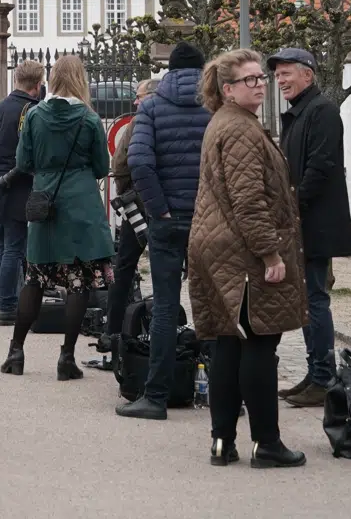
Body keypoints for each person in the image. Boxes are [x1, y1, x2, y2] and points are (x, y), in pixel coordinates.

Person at [188, 50, 306, 468]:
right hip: (240, 250)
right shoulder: (238, 129)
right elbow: (248, 201)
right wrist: (270, 252)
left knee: (230, 344)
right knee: (258, 340)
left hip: (219, 245)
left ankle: (223, 442)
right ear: (227, 89)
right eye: (250, 79)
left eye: (261, 78)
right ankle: (266, 443)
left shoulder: (233, 123)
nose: (260, 84)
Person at [0, 55, 112, 381]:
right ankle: (66, 358)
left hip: (45, 202)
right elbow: (101, 167)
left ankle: (16, 352)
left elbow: (23, 159)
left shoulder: (35, 115)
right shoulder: (89, 119)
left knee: (35, 277)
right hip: (81, 206)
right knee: (79, 283)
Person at [117, 43, 211, 421]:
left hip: (167, 221)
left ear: (168, 72)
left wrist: (160, 209)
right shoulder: (216, 105)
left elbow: (137, 162)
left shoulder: (152, 107)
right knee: (215, 306)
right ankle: (224, 394)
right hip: (209, 221)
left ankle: (155, 396)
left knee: (166, 306)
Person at [268, 48, 351, 407]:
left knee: (315, 300)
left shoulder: (321, 111)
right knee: (307, 301)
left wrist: (291, 208)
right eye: (277, 76)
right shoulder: (300, 113)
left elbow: (319, 169)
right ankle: (316, 373)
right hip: (303, 221)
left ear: (308, 74)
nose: (281, 80)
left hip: (314, 223)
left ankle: (323, 377)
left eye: (287, 73)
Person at [0, 59, 45, 325]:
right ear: (38, 84)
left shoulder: (0, 106)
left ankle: (1, 304)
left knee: (5, 245)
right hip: (16, 183)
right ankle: (7, 306)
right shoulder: (30, 109)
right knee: (13, 249)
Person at [101, 77, 158, 351]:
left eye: (139, 95)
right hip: (176, 207)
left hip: (140, 204)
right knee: (168, 269)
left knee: (124, 266)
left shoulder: (141, 121)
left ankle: (112, 330)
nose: (135, 101)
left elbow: (121, 162)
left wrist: (127, 193)